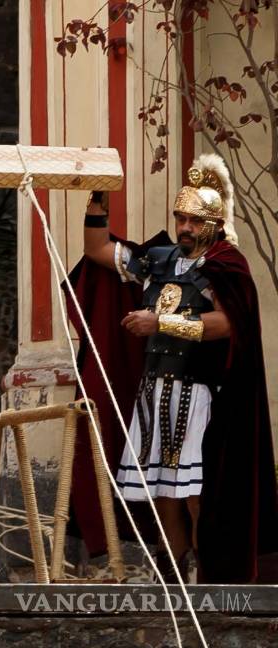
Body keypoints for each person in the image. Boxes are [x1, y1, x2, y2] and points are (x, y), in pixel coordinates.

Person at [76, 153, 277, 583]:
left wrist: (160, 322)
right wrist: (97, 200)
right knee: (162, 487)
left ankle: (210, 571)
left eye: (195, 221)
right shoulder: (158, 260)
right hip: (153, 391)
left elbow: (229, 323)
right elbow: (97, 250)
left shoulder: (225, 265)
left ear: (214, 224)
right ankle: (173, 565)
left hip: (198, 394)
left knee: (196, 491)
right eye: (181, 218)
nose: (185, 227)